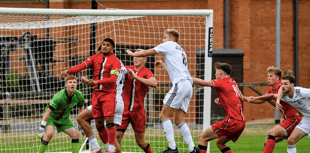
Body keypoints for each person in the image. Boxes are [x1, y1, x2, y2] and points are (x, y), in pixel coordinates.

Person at [125, 29, 199, 153]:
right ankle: (193, 149)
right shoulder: (181, 50)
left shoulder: (168, 44)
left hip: (179, 85)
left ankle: (172, 148)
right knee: (179, 120)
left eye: (164, 37)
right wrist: (165, 67)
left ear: (171, 38)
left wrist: (133, 54)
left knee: (163, 115)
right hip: (187, 85)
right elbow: (178, 68)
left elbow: (149, 51)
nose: (162, 40)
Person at [59, 38, 121, 153]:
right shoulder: (95, 57)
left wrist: (97, 82)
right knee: (98, 124)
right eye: (103, 44)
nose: (104, 47)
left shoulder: (115, 61)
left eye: (107, 45)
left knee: (109, 122)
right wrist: (68, 70)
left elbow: (113, 79)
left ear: (112, 48)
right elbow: (81, 66)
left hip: (108, 95)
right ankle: (98, 148)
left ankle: (111, 150)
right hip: (96, 95)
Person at [241, 66, 301, 153]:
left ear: (277, 78)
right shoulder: (271, 89)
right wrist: (246, 99)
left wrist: (252, 98)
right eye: (267, 76)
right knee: (268, 140)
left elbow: (272, 96)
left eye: (271, 76)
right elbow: (262, 99)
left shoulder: (281, 85)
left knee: (271, 133)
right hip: (288, 119)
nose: (268, 78)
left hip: (294, 119)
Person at [192, 62, 246, 153]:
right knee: (220, 142)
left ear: (220, 73)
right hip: (241, 122)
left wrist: (184, 76)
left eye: (216, 72)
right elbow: (235, 97)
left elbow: (203, 83)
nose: (215, 74)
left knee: (202, 137)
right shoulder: (233, 82)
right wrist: (222, 100)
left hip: (232, 121)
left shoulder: (221, 82)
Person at [77, 61, 127, 153]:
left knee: (81, 118)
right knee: (110, 136)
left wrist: (88, 81)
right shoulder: (123, 67)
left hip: (109, 101)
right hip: (119, 103)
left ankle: (96, 147)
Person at [116, 49, 157, 153]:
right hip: (123, 110)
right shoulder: (127, 69)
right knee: (116, 138)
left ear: (145, 59)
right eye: (135, 56)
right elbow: (116, 72)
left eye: (139, 56)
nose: (136, 58)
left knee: (141, 142)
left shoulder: (147, 72)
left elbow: (154, 83)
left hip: (138, 112)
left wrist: (136, 77)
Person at [36, 75, 85, 153]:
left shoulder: (79, 95)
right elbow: (48, 112)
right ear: (66, 84)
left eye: (74, 82)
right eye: (70, 82)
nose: (72, 84)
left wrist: (82, 125)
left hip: (64, 119)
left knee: (75, 134)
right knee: (49, 134)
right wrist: (42, 127)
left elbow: (81, 109)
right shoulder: (59, 96)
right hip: (51, 117)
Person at [275, 75, 310, 153]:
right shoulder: (284, 96)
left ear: (292, 85)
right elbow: (280, 89)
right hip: (307, 119)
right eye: (282, 84)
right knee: (291, 140)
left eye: (286, 84)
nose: (283, 86)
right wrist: (277, 101)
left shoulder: (301, 91)